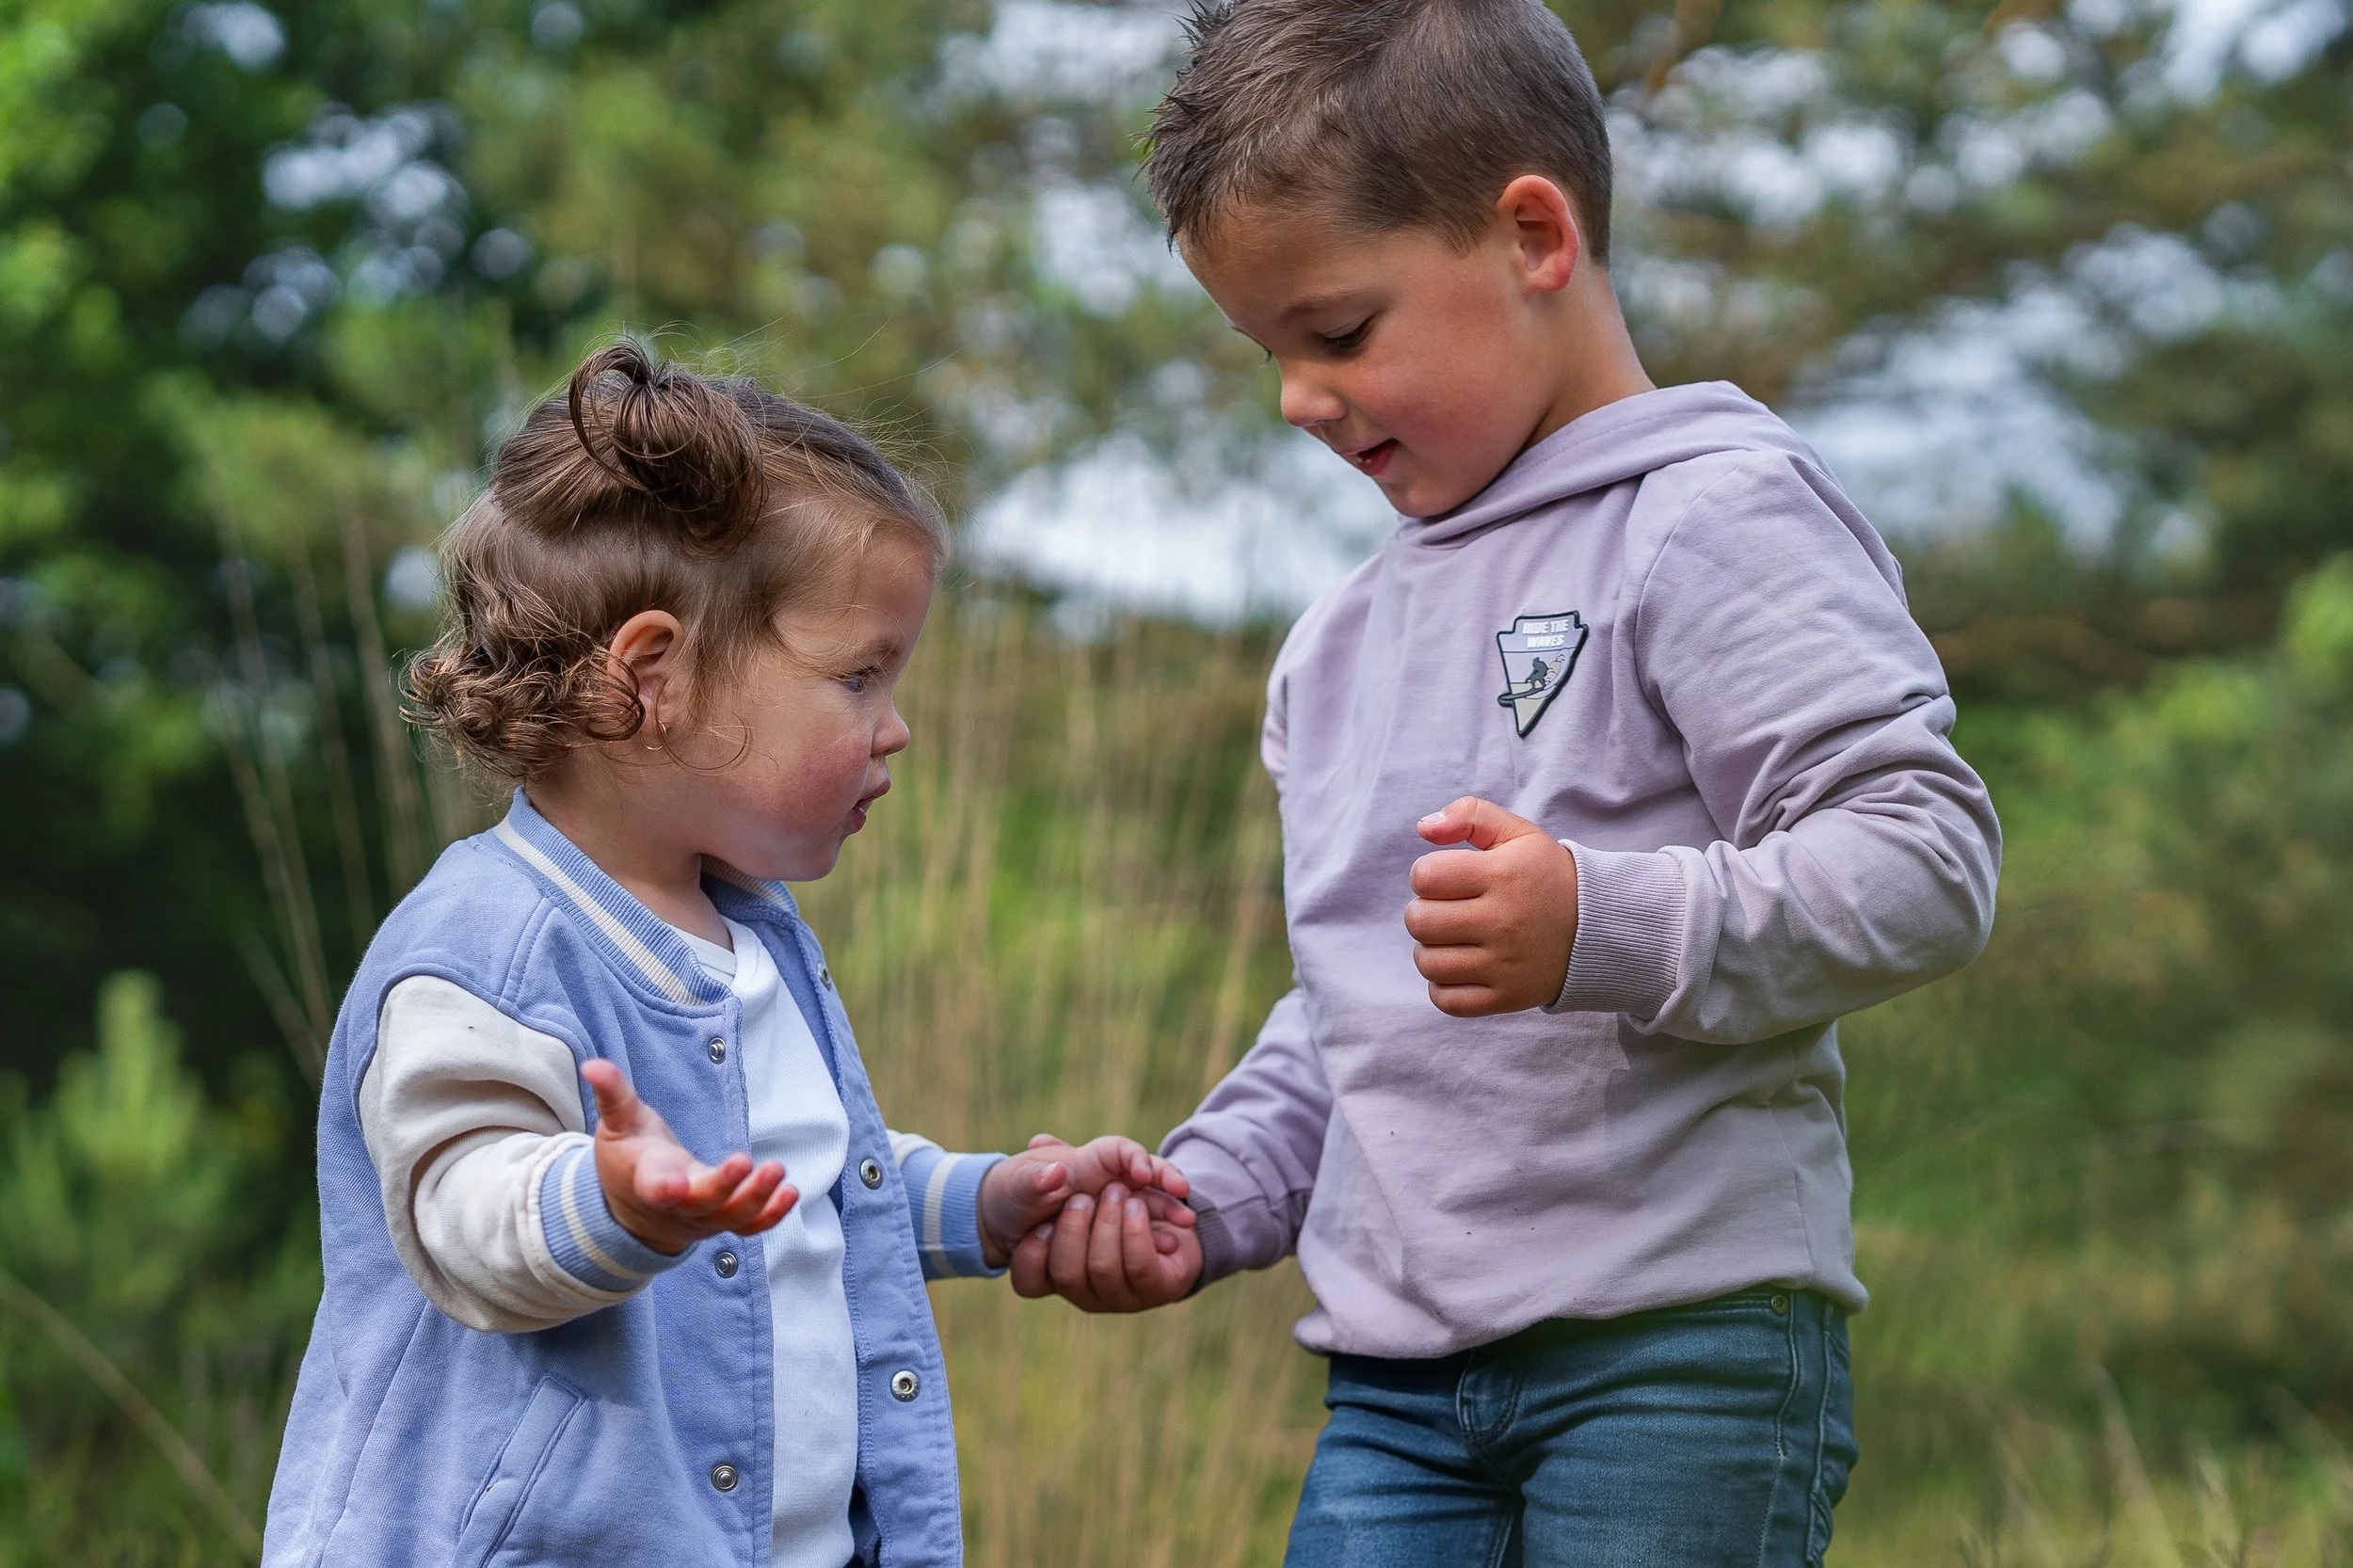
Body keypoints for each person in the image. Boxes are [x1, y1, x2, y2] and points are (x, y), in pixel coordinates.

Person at [1010, 2, 2004, 1563]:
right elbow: (1356, 1003)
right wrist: (1209, 1193)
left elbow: (1923, 856)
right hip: (1393, 1390)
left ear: (1535, 235)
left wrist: (1596, 922)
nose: (1297, 398)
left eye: (1340, 333)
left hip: (1677, 1353)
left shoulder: (1708, 516)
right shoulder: (1334, 649)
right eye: (1268, 351)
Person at [261, 342, 1190, 1568]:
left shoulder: (750, 929)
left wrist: (983, 1201)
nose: (897, 729)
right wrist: (611, 1202)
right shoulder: (485, 944)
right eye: (858, 678)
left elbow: (798, 1194)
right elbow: (463, 1213)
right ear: (656, 676)